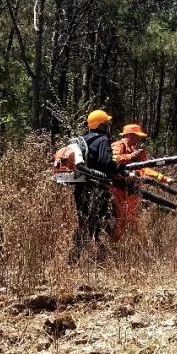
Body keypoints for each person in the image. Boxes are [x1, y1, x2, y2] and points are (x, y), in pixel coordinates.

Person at [68, 109, 124, 263]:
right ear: (101, 124)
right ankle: (99, 260)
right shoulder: (102, 139)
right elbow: (106, 163)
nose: (108, 125)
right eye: (106, 122)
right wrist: (118, 166)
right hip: (96, 188)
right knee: (104, 221)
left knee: (85, 222)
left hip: (81, 188)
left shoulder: (83, 139)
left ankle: (74, 258)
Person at [109, 123, 171, 241]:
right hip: (119, 190)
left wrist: (162, 178)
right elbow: (113, 160)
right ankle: (113, 246)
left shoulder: (135, 149)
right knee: (121, 221)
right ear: (129, 135)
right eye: (137, 136)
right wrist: (131, 156)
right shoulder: (118, 145)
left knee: (133, 221)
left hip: (132, 191)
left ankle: (136, 247)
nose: (139, 138)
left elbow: (143, 168)